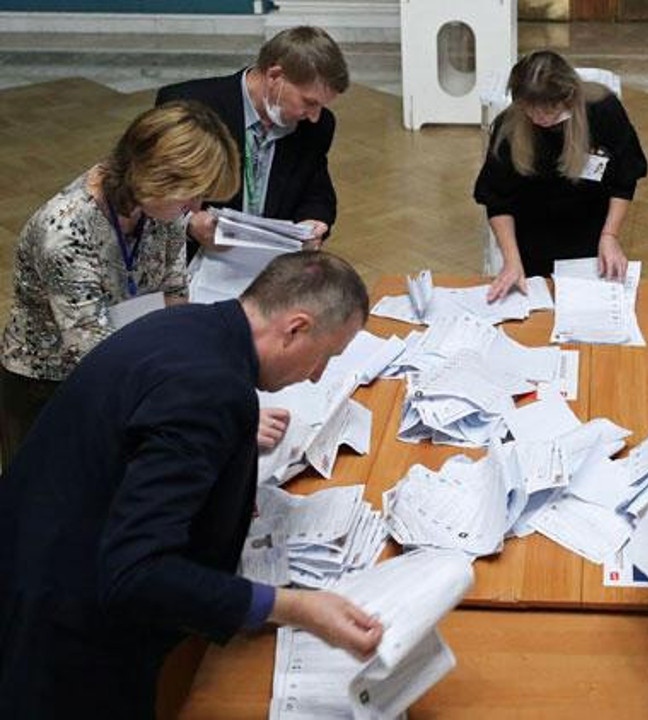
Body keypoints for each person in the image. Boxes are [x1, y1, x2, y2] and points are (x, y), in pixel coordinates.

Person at [0, 252, 383, 718]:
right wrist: (292, 606)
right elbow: (138, 573)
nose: (319, 375)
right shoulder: (208, 389)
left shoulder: (193, 327)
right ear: (295, 328)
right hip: (65, 630)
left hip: (39, 546)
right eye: (326, 356)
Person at [0, 101, 239, 469]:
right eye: (190, 194)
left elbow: (175, 295)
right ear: (157, 178)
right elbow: (93, 355)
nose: (196, 207)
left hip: (128, 356)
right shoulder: (64, 233)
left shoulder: (161, 207)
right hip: (48, 386)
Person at [156, 25, 349, 254]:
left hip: (271, 259)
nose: (314, 116)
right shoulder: (187, 107)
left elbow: (317, 192)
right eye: (309, 102)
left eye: (321, 106)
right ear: (275, 76)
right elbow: (152, 189)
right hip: (198, 256)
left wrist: (314, 222)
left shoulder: (317, 126)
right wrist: (189, 223)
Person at [474, 50, 648, 301]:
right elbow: (497, 199)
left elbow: (624, 179)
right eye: (530, 110)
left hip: (592, 239)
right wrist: (511, 261)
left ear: (568, 97)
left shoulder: (602, 110)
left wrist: (610, 236)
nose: (539, 118)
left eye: (548, 111)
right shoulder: (509, 126)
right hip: (531, 243)